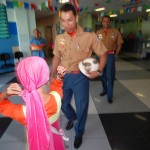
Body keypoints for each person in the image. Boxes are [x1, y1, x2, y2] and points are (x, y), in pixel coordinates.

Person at [50, 3, 107, 149]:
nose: (66, 24)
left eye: (69, 20)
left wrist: (99, 70)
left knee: (82, 107)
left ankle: (79, 133)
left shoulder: (89, 35)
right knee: (62, 103)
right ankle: (71, 117)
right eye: (63, 21)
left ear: (76, 18)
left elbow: (103, 54)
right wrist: (52, 74)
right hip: (63, 75)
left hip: (80, 77)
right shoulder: (59, 37)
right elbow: (57, 57)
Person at [0, 56, 67, 150]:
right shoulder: (56, 98)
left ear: (22, 81)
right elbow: (57, 87)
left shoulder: (22, 113)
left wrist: (5, 94)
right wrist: (59, 78)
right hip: (56, 143)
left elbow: (2, 104)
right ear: (46, 77)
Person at [96, 15, 123, 103]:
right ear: (102, 22)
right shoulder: (98, 32)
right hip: (100, 56)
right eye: (104, 21)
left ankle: (110, 95)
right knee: (102, 75)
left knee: (110, 75)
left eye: (108, 21)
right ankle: (105, 90)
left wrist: (116, 54)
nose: (106, 22)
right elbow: (95, 45)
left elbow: (120, 44)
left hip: (110, 55)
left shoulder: (115, 32)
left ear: (110, 22)